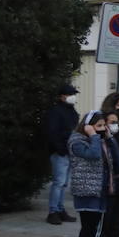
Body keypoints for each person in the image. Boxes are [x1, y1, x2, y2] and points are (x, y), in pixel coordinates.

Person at [68, 110, 117, 237]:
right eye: (99, 126)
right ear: (87, 126)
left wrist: (108, 137)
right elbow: (93, 155)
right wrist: (93, 135)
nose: (102, 129)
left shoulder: (99, 140)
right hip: (88, 192)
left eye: (104, 126)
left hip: (100, 190)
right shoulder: (77, 141)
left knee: (86, 234)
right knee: (90, 234)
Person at [45, 84, 80, 225]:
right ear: (62, 96)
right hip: (60, 152)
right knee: (59, 182)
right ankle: (53, 211)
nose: (73, 96)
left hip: (69, 151)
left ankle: (59, 210)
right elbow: (52, 133)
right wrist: (60, 149)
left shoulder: (71, 111)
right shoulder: (55, 111)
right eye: (70, 94)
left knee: (64, 183)